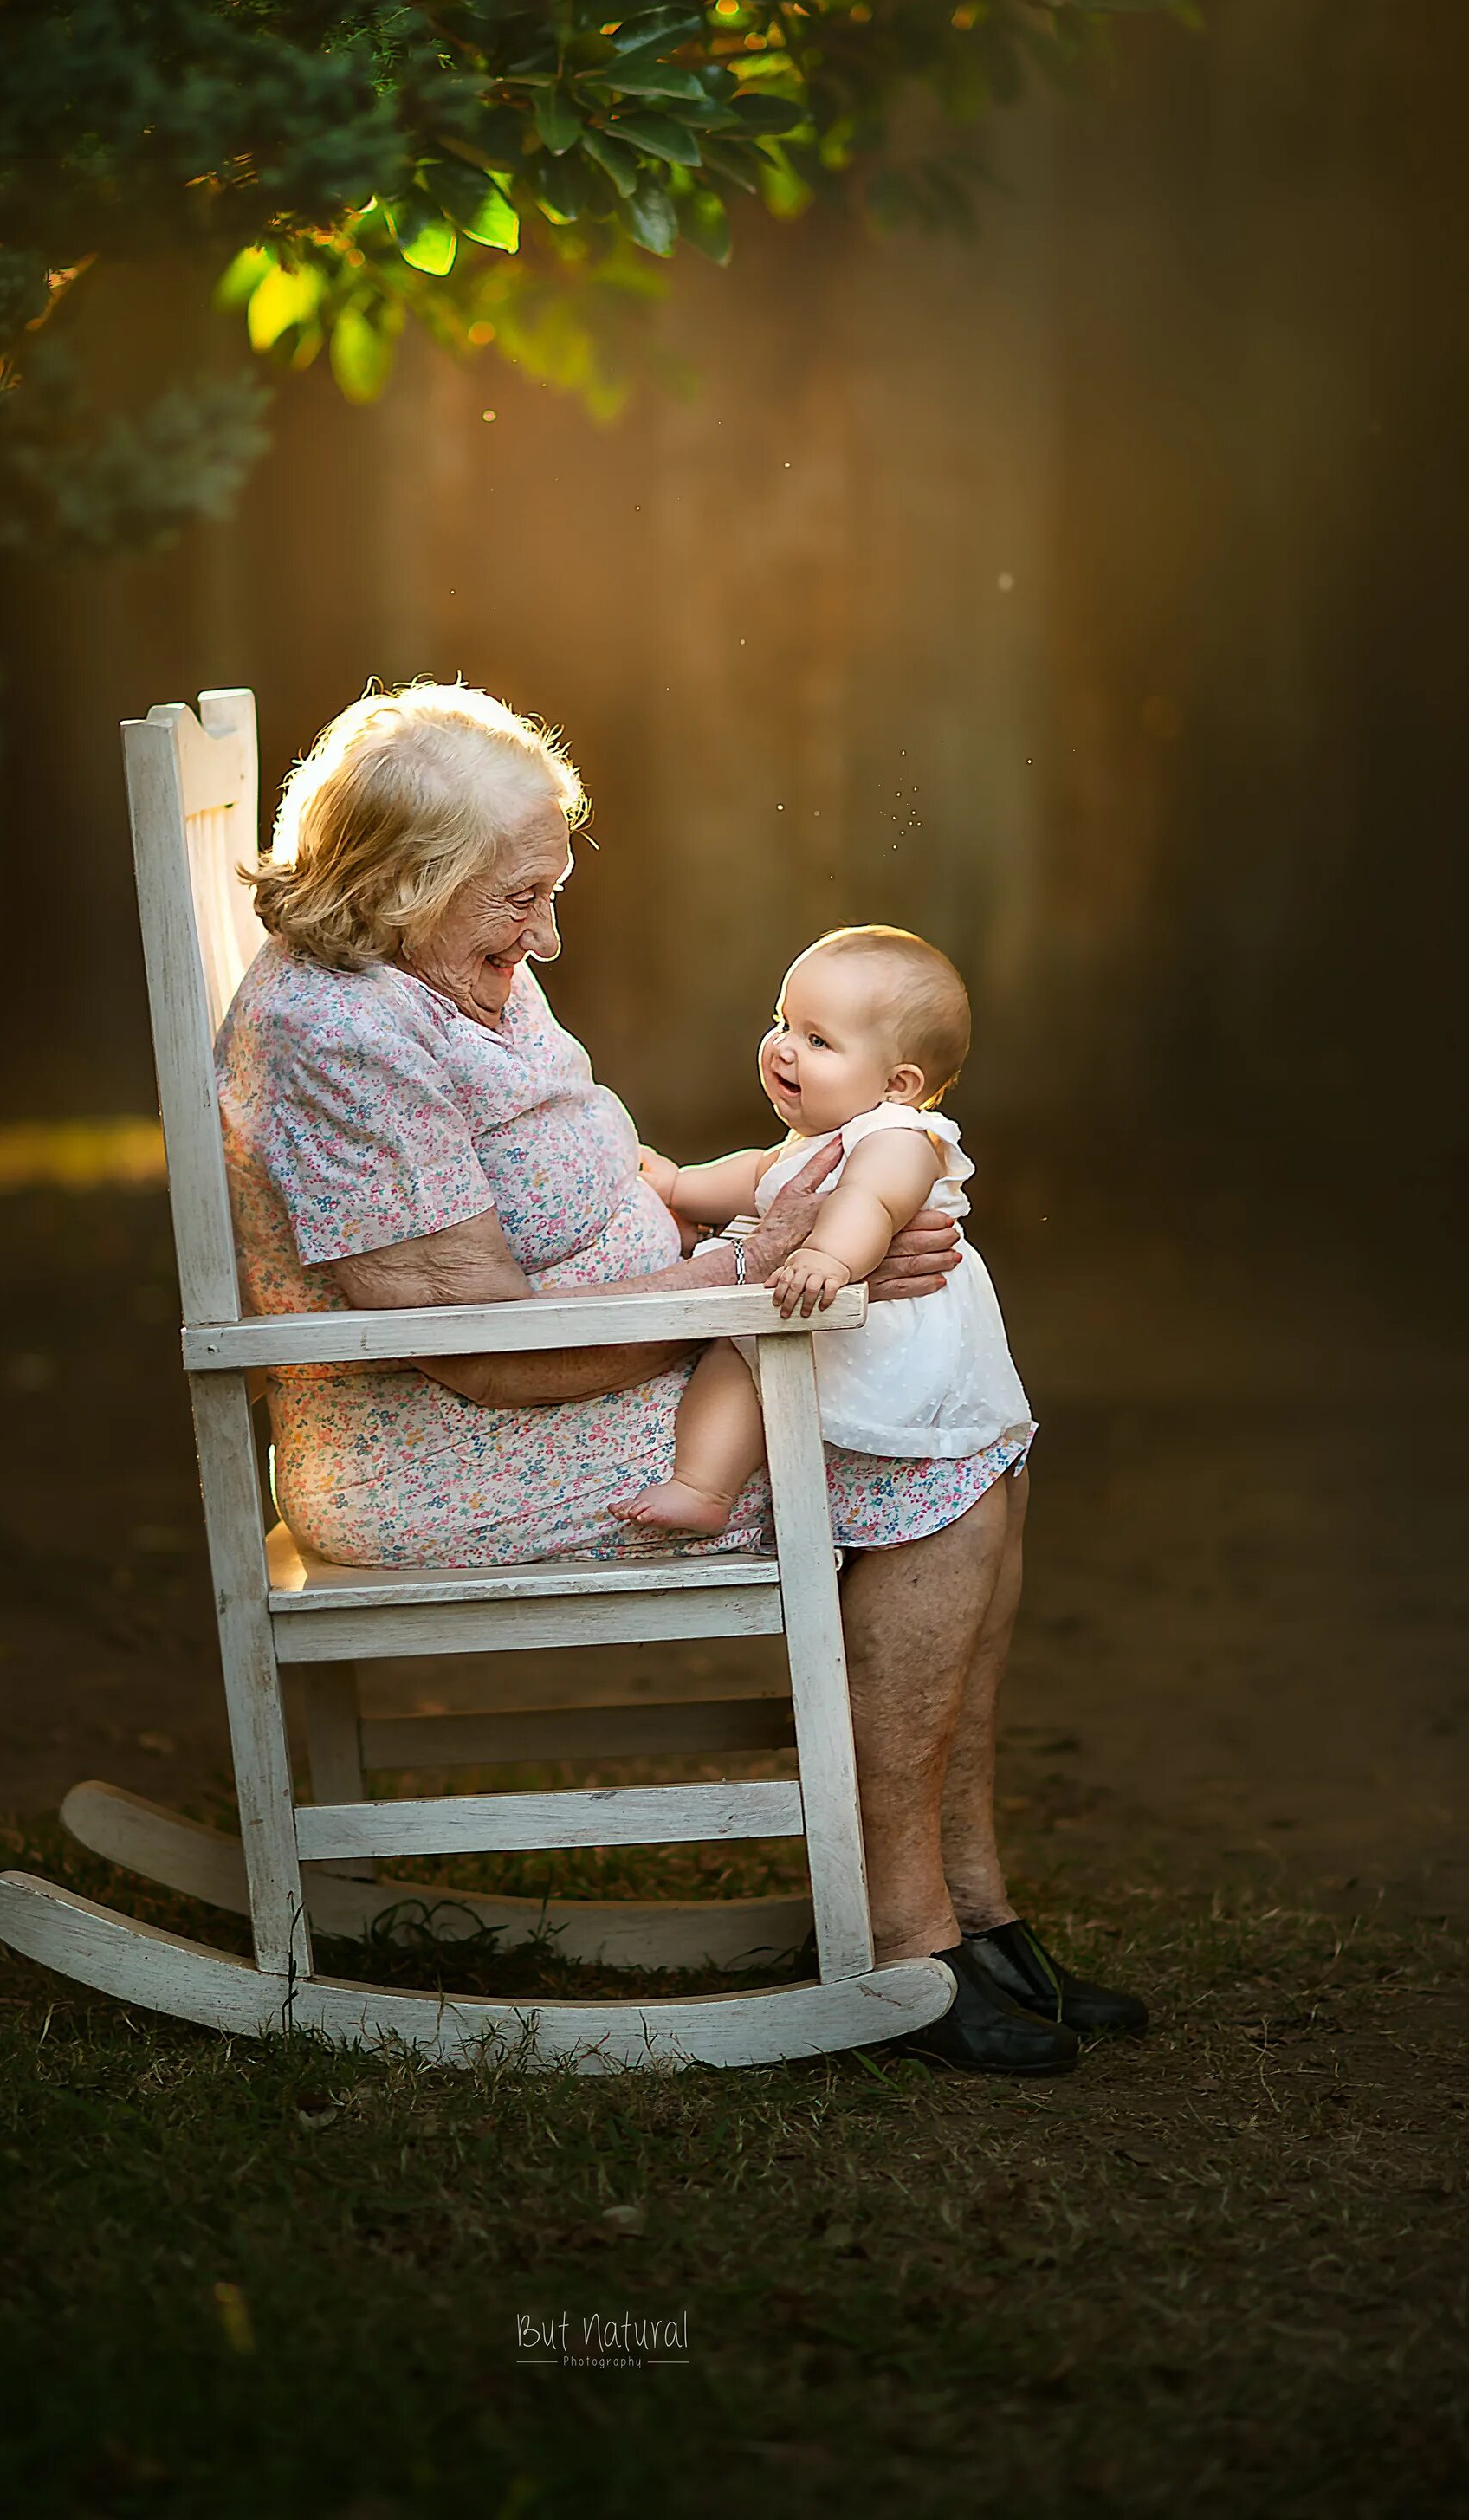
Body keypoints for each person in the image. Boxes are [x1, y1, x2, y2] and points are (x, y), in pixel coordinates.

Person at [217, 681, 1145, 2071]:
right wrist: (763, 1267)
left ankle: (972, 1905)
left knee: (977, 1447)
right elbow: (472, 1347)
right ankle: (907, 1944)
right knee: (927, 1461)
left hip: (606, 1358)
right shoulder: (341, 1035)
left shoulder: (430, 964)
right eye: (517, 899)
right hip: (444, 1449)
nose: (547, 933)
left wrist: (778, 1223)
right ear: (403, 882)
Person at [620, 925, 1033, 1537]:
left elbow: (873, 1201)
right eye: (783, 1022)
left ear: (899, 1084)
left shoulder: (897, 1135)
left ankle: (724, 1484)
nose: (783, 1048)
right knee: (735, 1360)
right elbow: (754, 1176)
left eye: (817, 1040)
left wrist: (828, 1256)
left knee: (743, 1357)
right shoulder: (813, 1141)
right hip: (811, 1309)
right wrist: (679, 1185)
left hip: (876, 1323)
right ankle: (704, 1486)